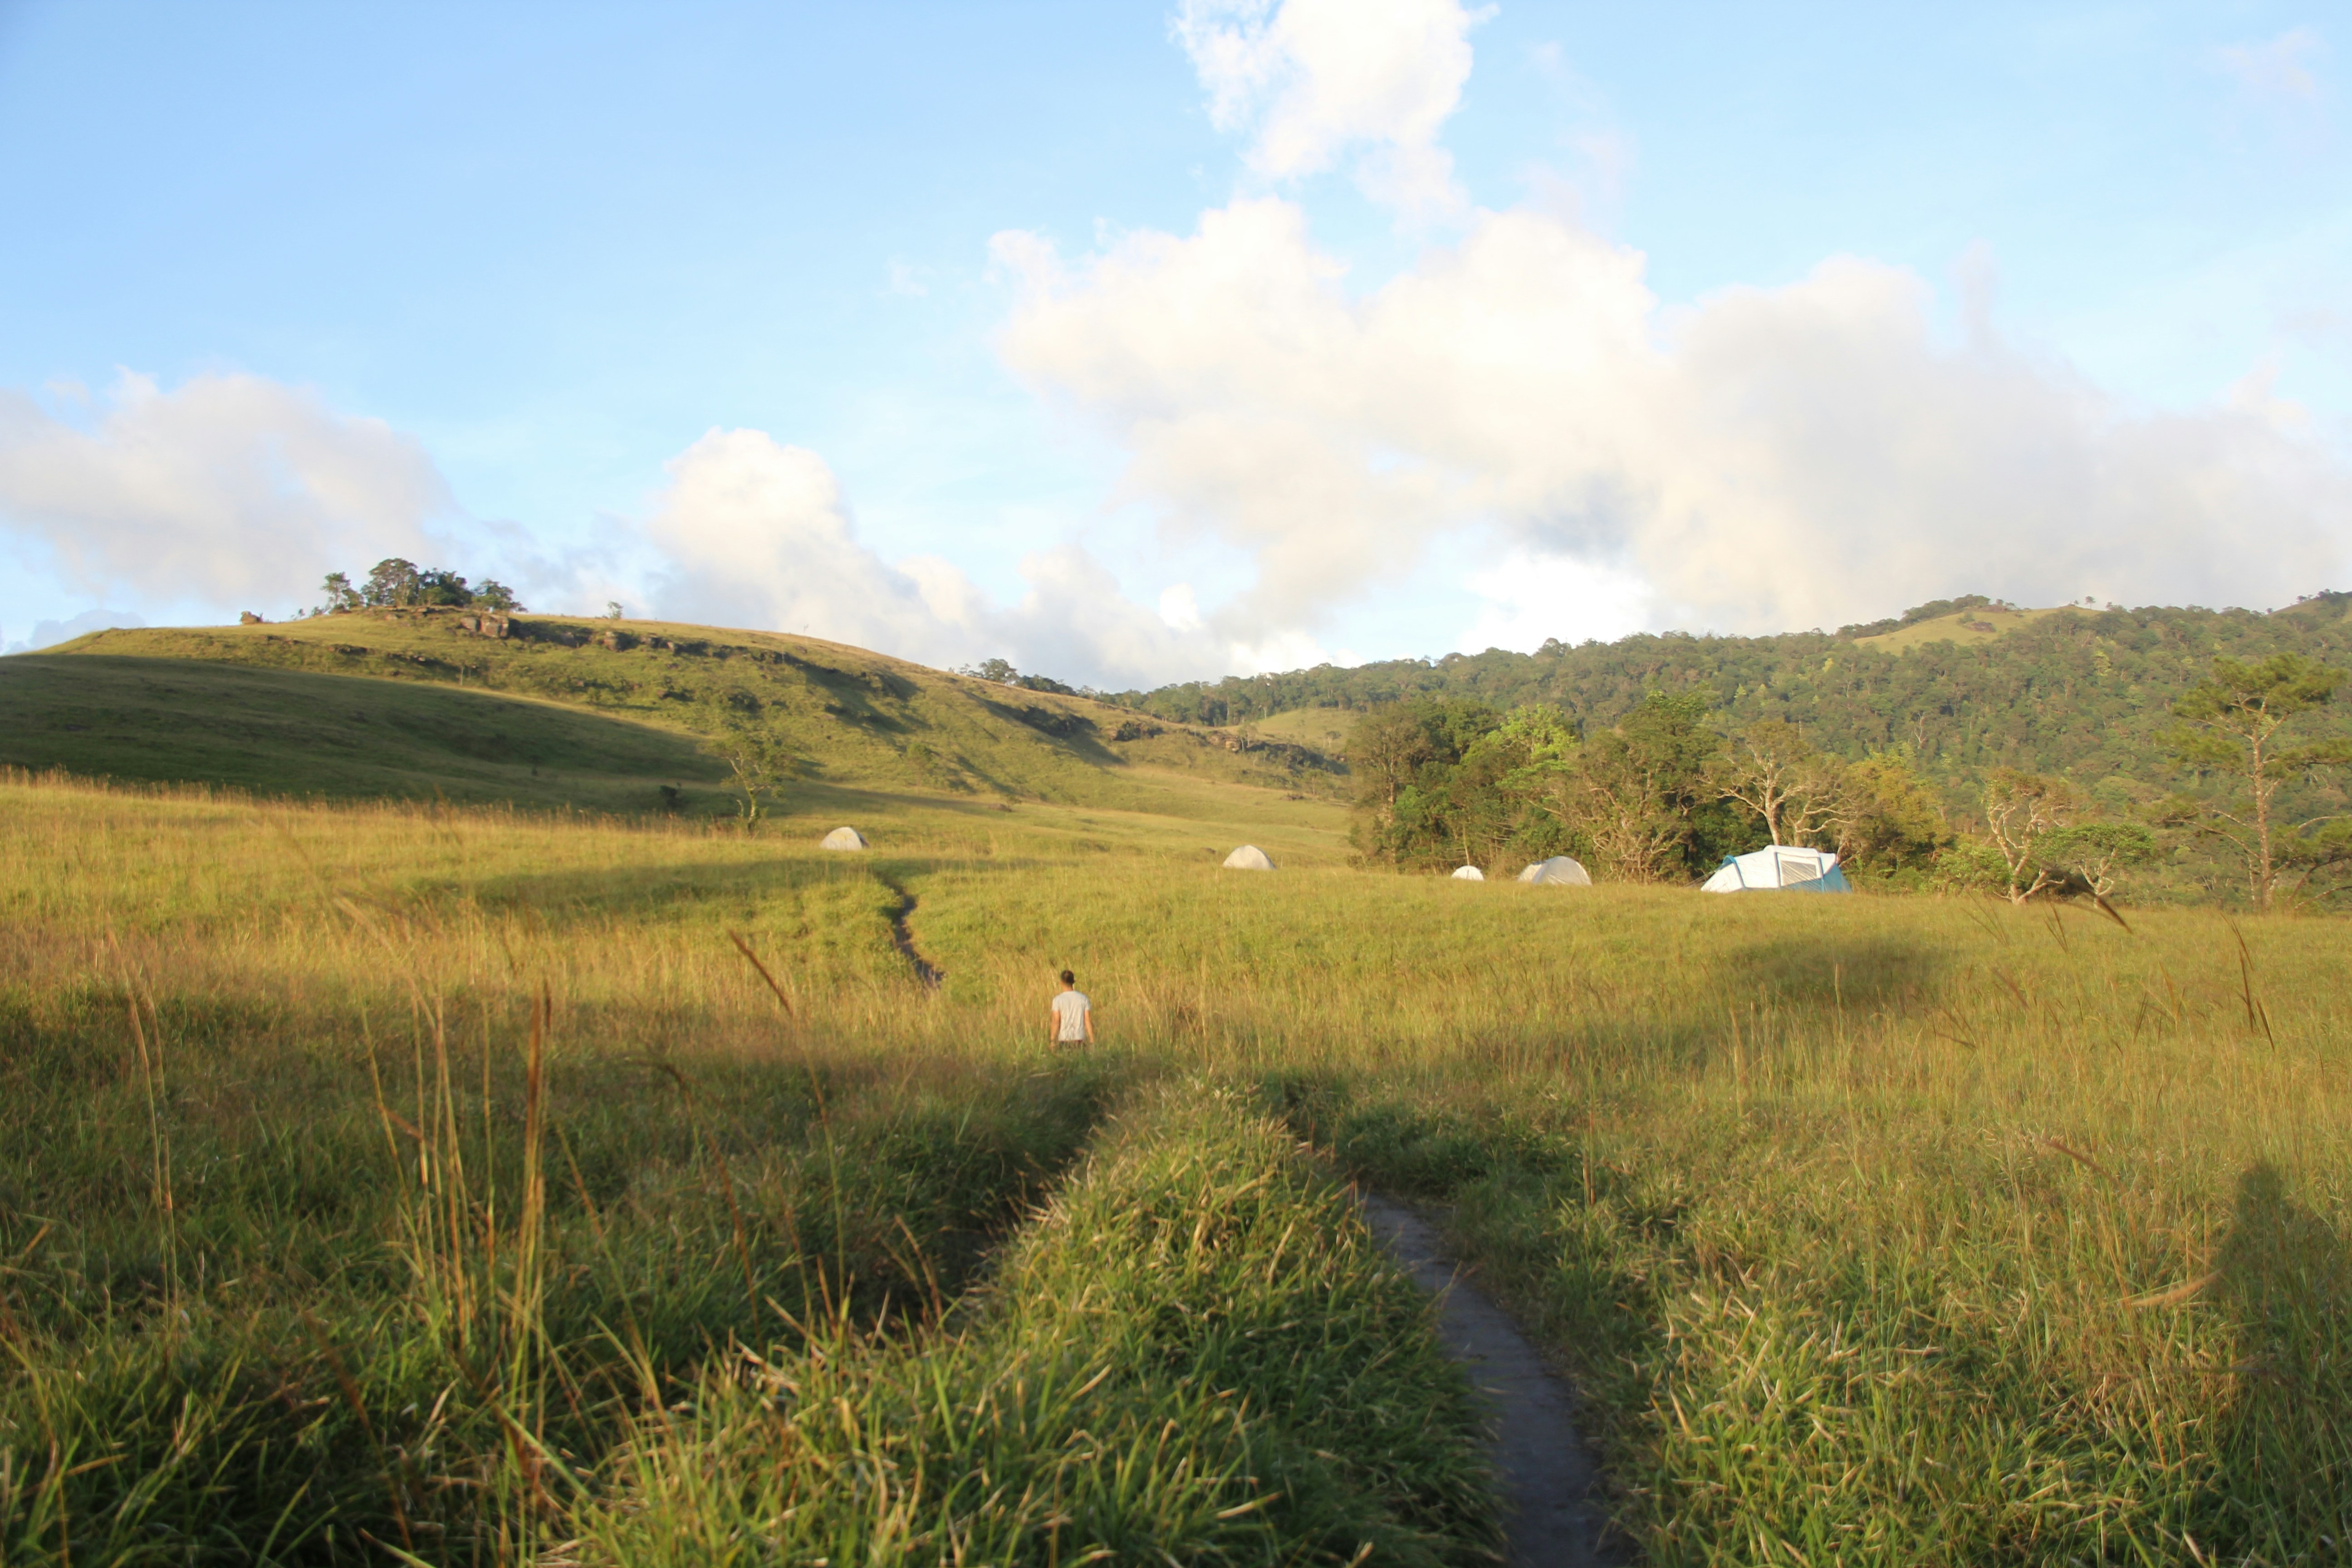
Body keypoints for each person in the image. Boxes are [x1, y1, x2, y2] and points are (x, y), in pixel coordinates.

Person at [1047, 970, 1095, 1048]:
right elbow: (1087, 1020)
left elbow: (1056, 1021)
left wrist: (1052, 1040)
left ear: (1061, 982)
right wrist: (1092, 1039)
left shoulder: (1058, 1000)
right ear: (1073, 982)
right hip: (1080, 1038)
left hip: (1064, 1039)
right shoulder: (1084, 998)